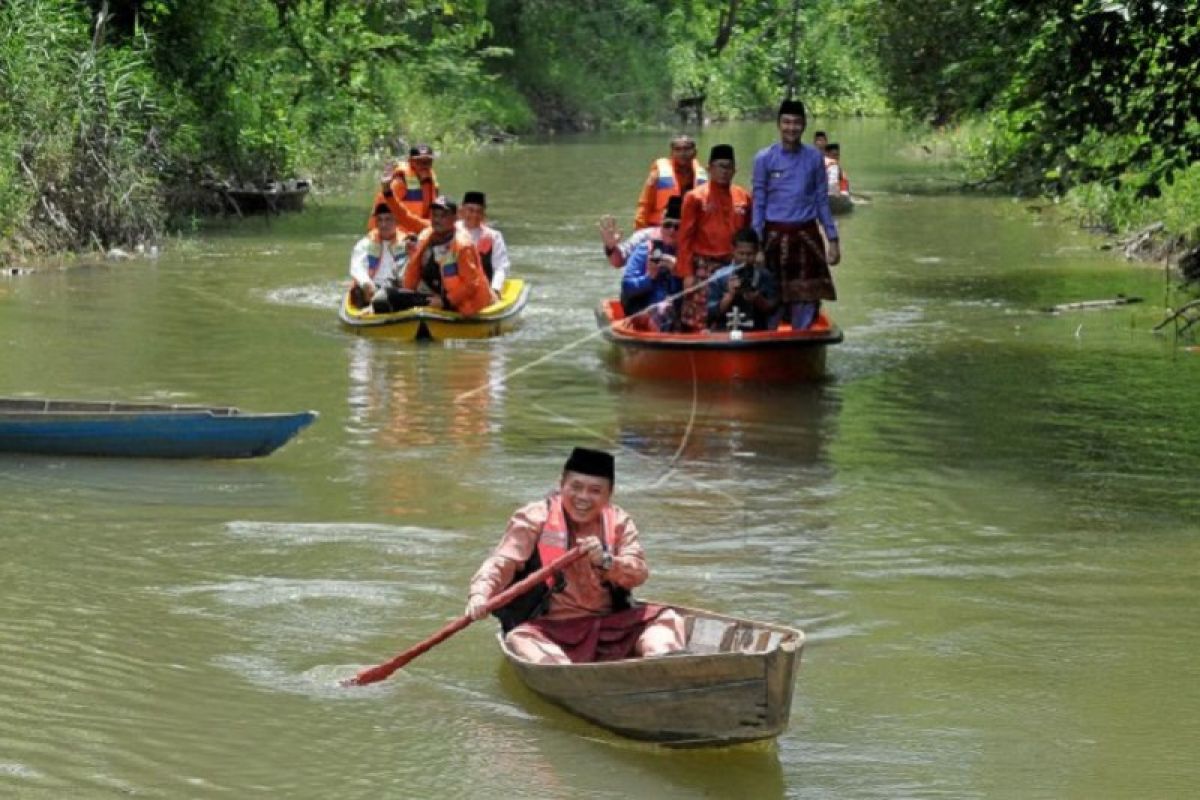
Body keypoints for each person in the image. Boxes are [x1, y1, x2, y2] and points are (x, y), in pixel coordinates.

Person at [465, 447, 686, 666]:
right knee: (520, 639)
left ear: (609, 495)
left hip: (608, 625)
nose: (583, 498)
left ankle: (659, 665)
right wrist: (480, 595)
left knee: (668, 618)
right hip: (549, 629)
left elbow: (638, 573)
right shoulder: (534, 518)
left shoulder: (619, 521)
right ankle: (566, 673)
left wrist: (606, 561)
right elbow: (502, 562)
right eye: (576, 487)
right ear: (561, 485)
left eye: (595, 491)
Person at [751, 98, 840, 330]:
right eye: (787, 122)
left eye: (797, 123)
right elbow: (758, 204)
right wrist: (757, 245)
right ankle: (768, 339)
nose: (791, 128)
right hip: (773, 237)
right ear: (779, 125)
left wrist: (833, 240)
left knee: (807, 296)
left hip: (806, 236)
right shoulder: (764, 158)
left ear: (804, 125)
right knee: (770, 295)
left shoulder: (814, 158)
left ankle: (802, 339)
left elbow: (822, 200)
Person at [675, 143, 753, 332]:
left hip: (735, 266)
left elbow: (750, 233)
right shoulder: (695, 198)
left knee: (736, 313)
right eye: (720, 166)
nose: (724, 171)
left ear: (735, 170)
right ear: (710, 168)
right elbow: (684, 238)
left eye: (729, 167)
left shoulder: (744, 196)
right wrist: (687, 273)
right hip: (704, 266)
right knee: (699, 318)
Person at [400, 196, 497, 317]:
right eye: (435, 215)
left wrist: (444, 302)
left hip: (460, 305)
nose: (437, 220)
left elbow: (471, 284)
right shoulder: (426, 236)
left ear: (455, 218)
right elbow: (413, 273)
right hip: (434, 295)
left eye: (443, 216)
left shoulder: (462, 245)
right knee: (384, 299)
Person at [620, 196, 683, 331]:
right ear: (661, 226)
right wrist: (649, 277)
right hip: (644, 309)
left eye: (677, 227)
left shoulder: (687, 253)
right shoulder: (645, 249)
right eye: (667, 225)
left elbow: (691, 291)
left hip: (675, 311)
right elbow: (627, 287)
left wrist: (677, 273)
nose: (672, 231)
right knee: (661, 313)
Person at [348, 203, 420, 313]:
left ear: (396, 221)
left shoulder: (407, 244)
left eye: (388, 220)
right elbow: (357, 267)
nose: (383, 224)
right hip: (369, 290)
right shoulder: (364, 244)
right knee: (359, 291)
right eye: (380, 220)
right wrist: (366, 283)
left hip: (394, 291)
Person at [707, 228, 779, 331]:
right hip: (724, 331)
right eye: (741, 253)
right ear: (733, 251)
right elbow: (711, 314)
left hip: (756, 331)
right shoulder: (720, 276)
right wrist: (729, 296)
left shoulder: (765, 276)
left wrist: (757, 299)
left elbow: (773, 310)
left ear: (756, 253)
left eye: (749, 254)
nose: (745, 258)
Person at [633, 134, 708, 230]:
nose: (682, 153)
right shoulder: (658, 174)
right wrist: (639, 230)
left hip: (689, 229)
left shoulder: (702, 176)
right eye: (678, 149)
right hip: (661, 228)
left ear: (695, 152)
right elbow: (644, 205)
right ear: (671, 153)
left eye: (686, 149)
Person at [368, 144, 440, 234]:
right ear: (411, 161)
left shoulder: (431, 178)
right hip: (401, 233)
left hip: (422, 229)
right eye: (419, 162)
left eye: (428, 162)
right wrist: (375, 233)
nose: (424, 165)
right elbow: (381, 206)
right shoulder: (400, 181)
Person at [457, 191, 511, 294]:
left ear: (483, 214)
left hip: (483, 291)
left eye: (479, 211)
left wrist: (495, 289)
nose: (474, 215)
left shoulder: (494, 236)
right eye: (470, 210)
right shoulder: (451, 230)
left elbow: (501, 267)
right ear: (462, 210)